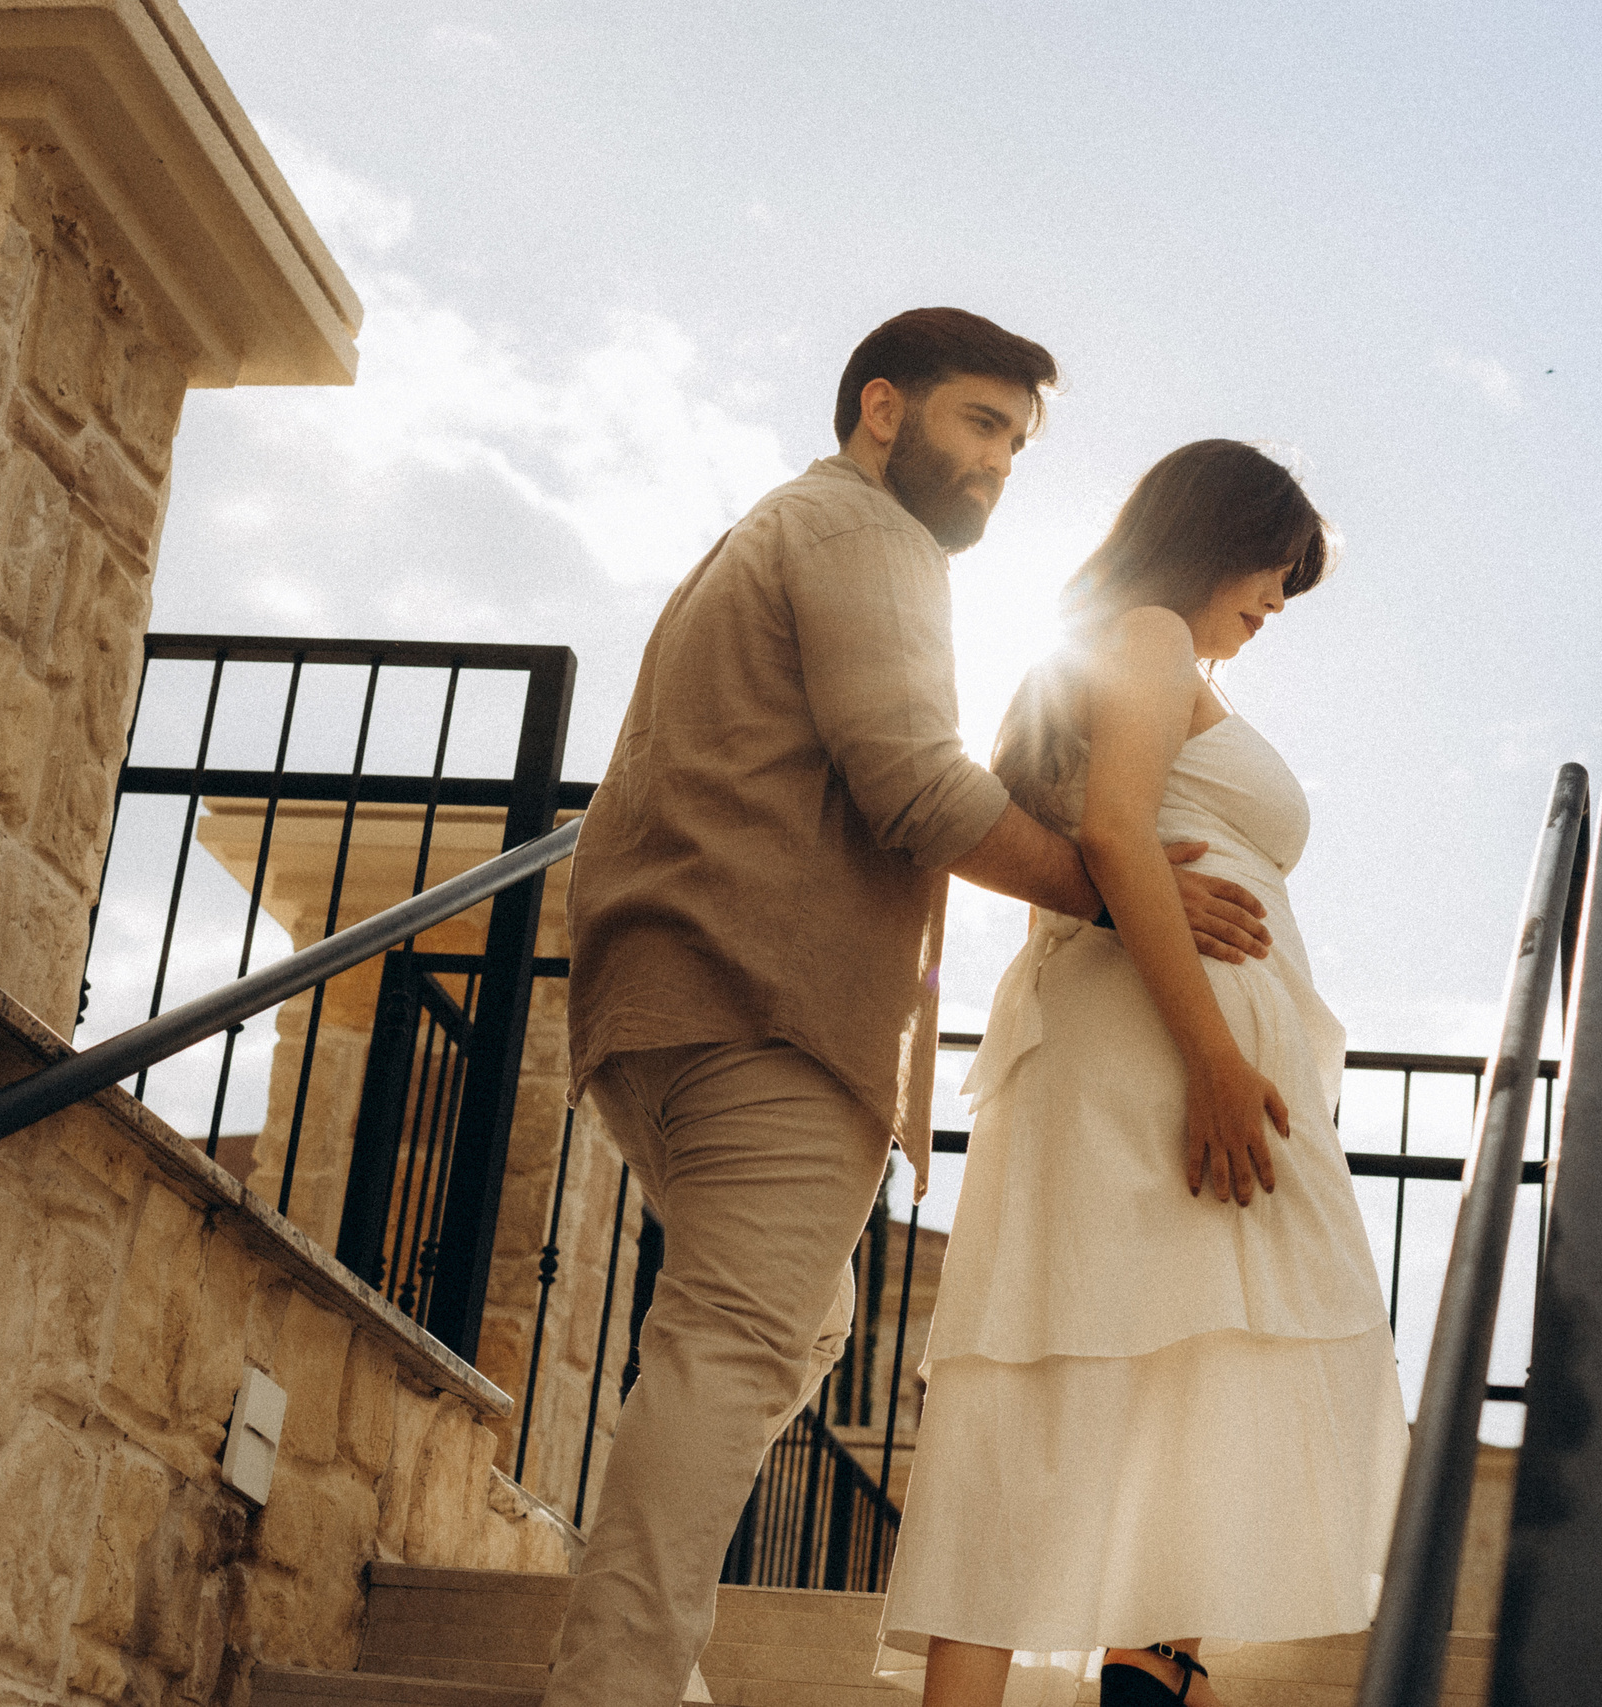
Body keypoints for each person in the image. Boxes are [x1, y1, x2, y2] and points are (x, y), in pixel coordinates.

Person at [547, 312, 1277, 1707]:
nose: (998, 461)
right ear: (883, 410)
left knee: (798, 1325)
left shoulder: (787, 532)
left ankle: (644, 1664)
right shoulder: (863, 532)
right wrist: (1128, 895)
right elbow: (917, 787)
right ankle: (613, 1686)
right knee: (733, 1348)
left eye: (1017, 441)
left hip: (679, 995)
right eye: (978, 422)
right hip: (760, 1003)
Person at [876, 441, 1408, 1707]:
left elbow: (1066, 844)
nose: (1276, 603)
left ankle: (1153, 1657)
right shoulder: (1151, 635)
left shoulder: (1100, 655)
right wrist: (1217, 1061)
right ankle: (1155, 1656)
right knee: (1168, 1345)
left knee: (1076, 1355)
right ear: (1214, 534)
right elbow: (1117, 835)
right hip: (1165, 1049)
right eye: (1275, 570)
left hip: (1122, 1039)